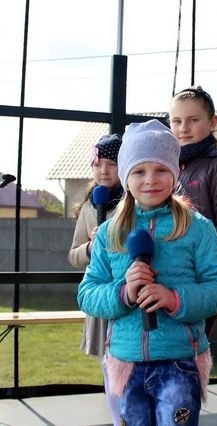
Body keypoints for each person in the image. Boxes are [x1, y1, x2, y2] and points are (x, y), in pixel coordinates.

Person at [77, 119, 217, 425]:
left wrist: (176, 299)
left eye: (161, 169)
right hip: (125, 363)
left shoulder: (197, 227)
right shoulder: (110, 231)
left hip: (180, 362)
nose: (151, 180)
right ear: (126, 176)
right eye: (139, 171)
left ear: (174, 173)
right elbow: (87, 294)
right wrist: (123, 292)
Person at [168, 85, 217, 342]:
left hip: (201, 279)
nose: (183, 128)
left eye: (193, 120)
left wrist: (186, 252)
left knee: (187, 353)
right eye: (176, 121)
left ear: (213, 122)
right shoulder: (169, 167)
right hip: (170, 273)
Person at [68, 133, 123, 426]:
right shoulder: (90, 205)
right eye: (98, 164)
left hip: (129, 296)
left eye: (111, 164)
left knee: (131, 364)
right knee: (108, 367)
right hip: (101, 297)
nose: (103, 171)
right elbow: (74, 254)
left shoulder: (135, 199)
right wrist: (91, 247)